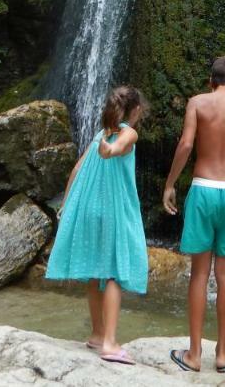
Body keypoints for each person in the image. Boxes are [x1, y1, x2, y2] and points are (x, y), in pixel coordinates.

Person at [163, 55, 225, 374]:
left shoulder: (197, 102)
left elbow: (187, 144)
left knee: (200, 273)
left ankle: (193, 354)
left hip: (203, 187)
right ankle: (222, 353)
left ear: (210, 81)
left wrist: (170, 183)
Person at [46, 85, 149, 365]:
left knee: (94, 270)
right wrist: (112, 150)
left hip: (89, 208)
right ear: (136, 109)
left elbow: (76, 170)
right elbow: (121, 144)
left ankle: (96, 334)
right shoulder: (129, 132)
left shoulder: (98, 135)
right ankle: (110, 344)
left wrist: (66, 206)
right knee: (115, 272)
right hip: (113, 209)